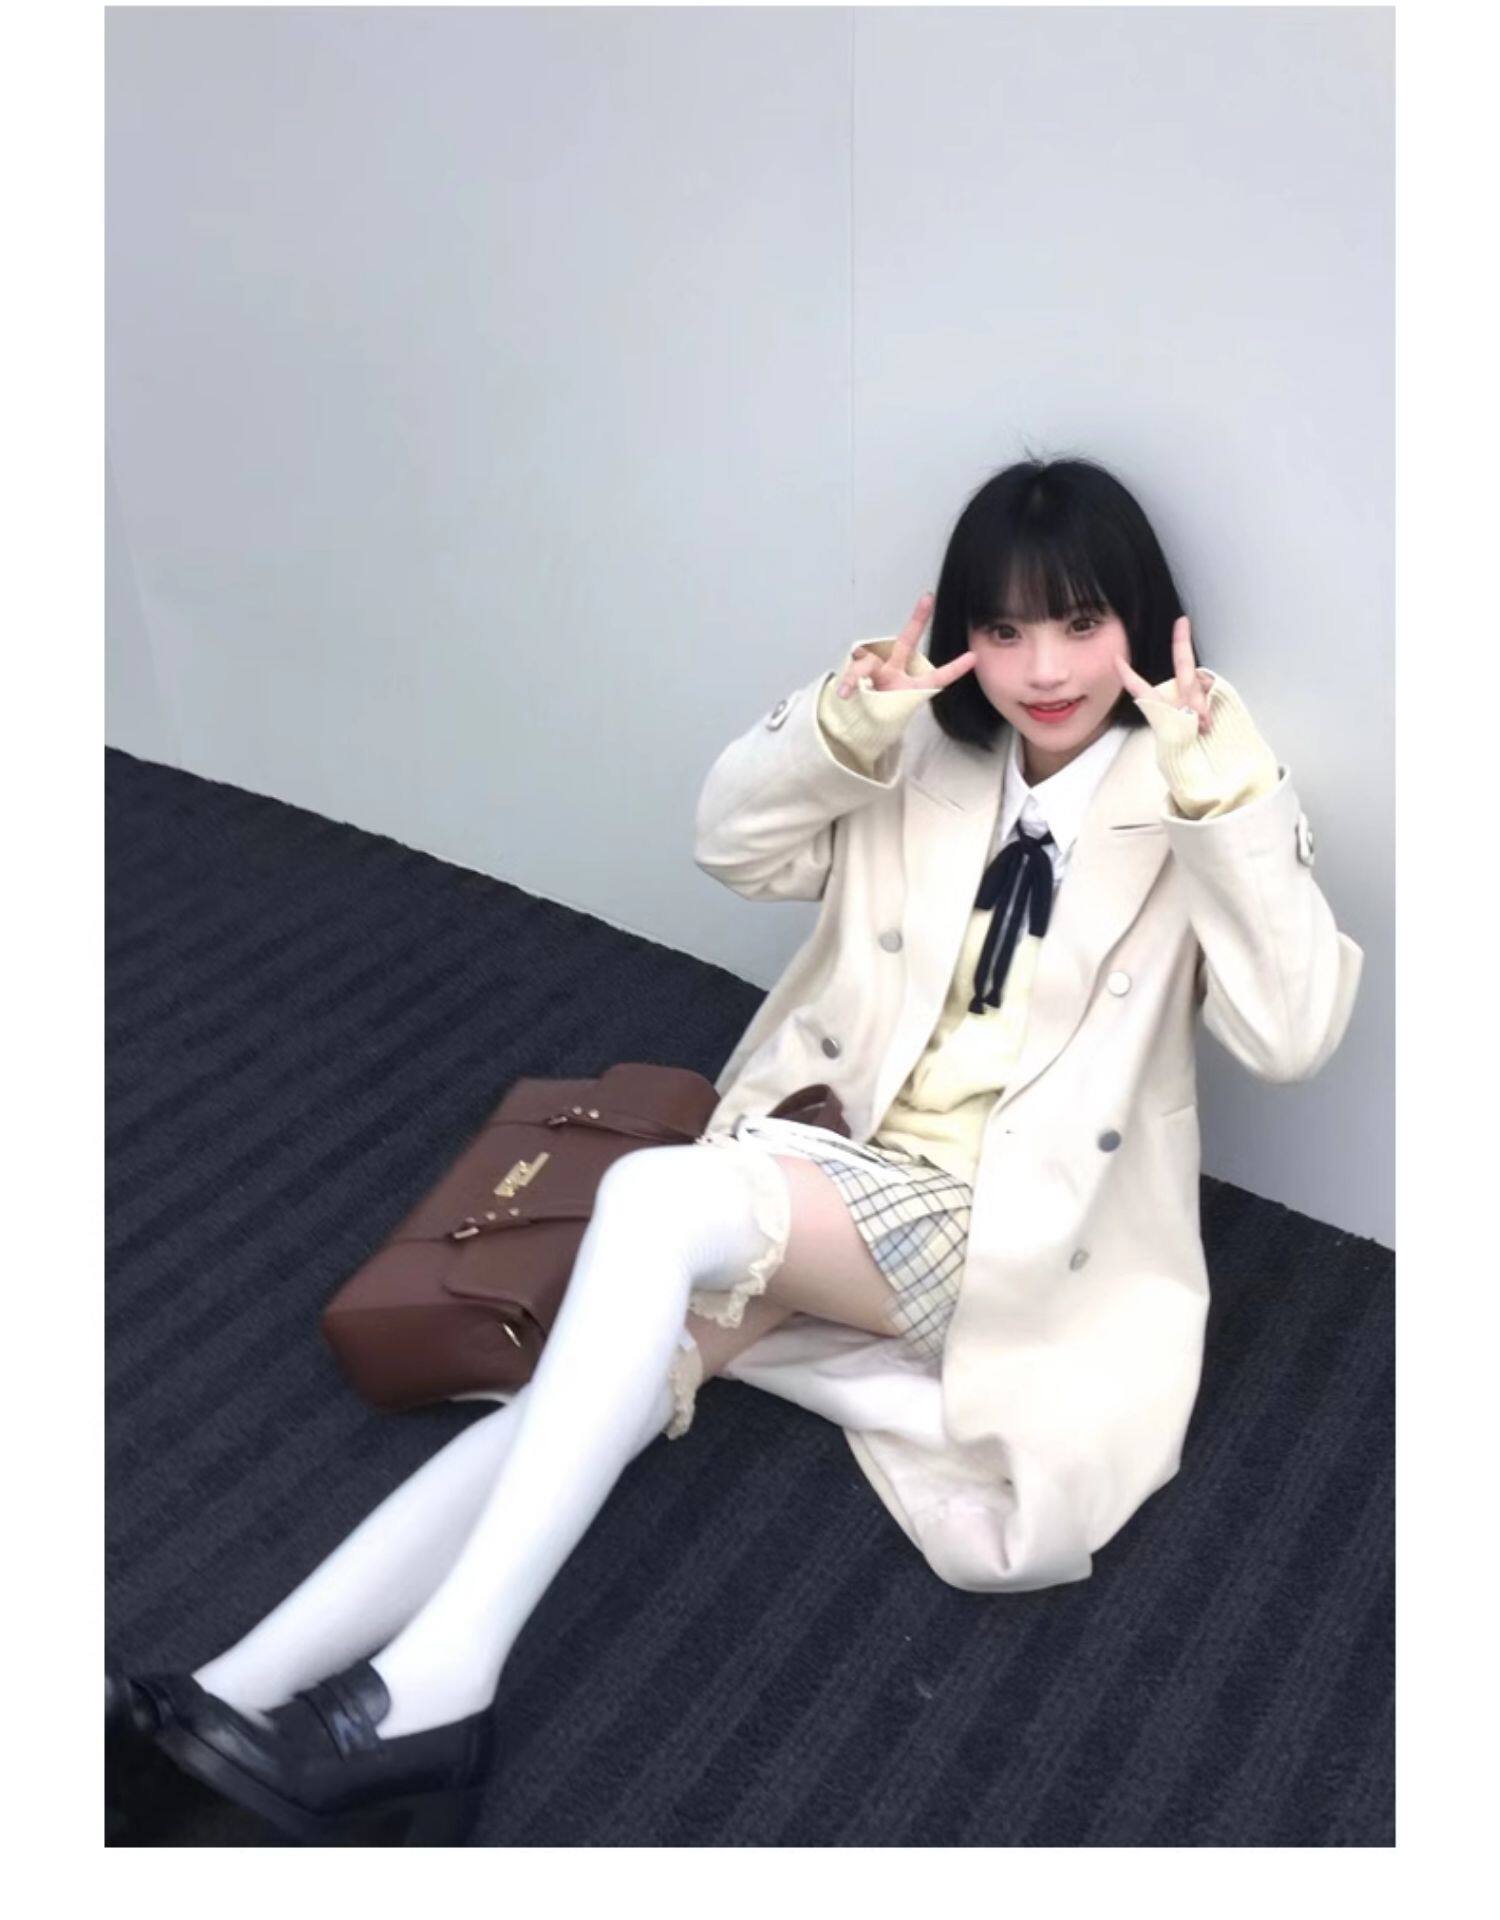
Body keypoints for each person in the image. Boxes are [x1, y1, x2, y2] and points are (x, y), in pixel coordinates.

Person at [106, 455, 1363, 1843]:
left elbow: (1291, 1033)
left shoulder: (1194, 802)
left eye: (1080, 623)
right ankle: (231, 1696)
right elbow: (734, 847)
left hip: (1007, 1222)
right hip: (843, 1171)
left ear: (1143, 622)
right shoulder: (929, 766)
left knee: (654, 1202)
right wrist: (841, 725)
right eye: (1005, 630)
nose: (1043, 669)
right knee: (578, 1406)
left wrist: (1224, 802)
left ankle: (437, 1687)